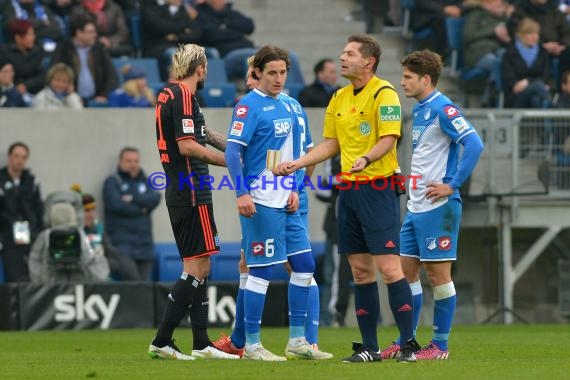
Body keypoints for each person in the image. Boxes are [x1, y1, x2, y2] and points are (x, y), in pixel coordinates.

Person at [275, 34, 419, 363]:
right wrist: (298, 163)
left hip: (378, 188)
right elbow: (330, 144)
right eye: (342, 52)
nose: (342, 58)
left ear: (368, 61)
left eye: (350, 53)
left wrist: (366, 159)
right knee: (359, 271)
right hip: (348, 191)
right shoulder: (338, 97)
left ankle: (408, 344)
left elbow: (389, 139)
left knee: (389, 268)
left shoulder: (385, 94)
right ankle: (369, 347)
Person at [213, 55, 332, 360]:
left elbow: (302, 152)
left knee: (305, 266)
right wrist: (241, 193)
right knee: (261, 270)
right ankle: (251, 345)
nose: (279, 79)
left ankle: (297, 341)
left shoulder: (292, 105)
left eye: (283, 73)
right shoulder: (248, 105)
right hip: (260, 200)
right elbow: (233, 153)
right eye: (272, 73)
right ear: (256, 73)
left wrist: (296, 188)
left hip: (288, 200)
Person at [381, 49, 484, 360]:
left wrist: (451, 184)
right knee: (406, 275)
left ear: (426, 79)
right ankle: (407, 342)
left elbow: (475, 144)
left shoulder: (444, 109)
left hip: (439, 207)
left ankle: (440, 346)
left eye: (408, 78)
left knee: (439, 278)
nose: (402, 83)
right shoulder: (422, 110)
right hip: (416, 207)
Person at [148, 43, 238, 361]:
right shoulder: (185, 96)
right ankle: (162, 339)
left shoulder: (169, 94)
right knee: (197, 266)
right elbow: (188, 146)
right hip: (191, 190)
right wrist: (229, 162)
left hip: (180, 189)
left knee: (202, 264)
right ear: (200, 68)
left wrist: (232, 147)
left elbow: (199, 132)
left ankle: (201, 343)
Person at [103, 147, 161, 281]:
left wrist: (133, 198)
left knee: (144, 286)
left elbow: (155, 198)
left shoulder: (145, 181)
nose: (133, 164)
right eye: (128, 161)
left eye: (136, 161)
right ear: (120, 162)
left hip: (144, 244)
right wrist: (142, 209)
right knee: (134, 282)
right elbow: (116, 205)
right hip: (121, 244)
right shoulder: (113, 181)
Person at [28, 191, 110, 283]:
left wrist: (83, 259)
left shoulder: (81, 235)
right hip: (52, 281)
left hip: (79, 281)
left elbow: (99, 270)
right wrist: (47, 270)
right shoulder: (45, 236)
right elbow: (34, 263)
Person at [52, 13, 119, 105]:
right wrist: (67, 89)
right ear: (78, 33)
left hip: (97, 100)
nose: (94, 35)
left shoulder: (99, 49)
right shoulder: (64, 49)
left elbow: (112, 76)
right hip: (69, 99)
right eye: (90, 32)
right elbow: (55, 73)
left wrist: (104, 95)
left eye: (95, 32)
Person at [0, 142, 43, 282]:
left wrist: (39, 235)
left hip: (31, 240)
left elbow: (38, 209)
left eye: (23, 157)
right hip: (9, 242)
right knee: (15, 282)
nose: (20, 160)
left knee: (34, 281)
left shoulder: (31, 181)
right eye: (16, 156)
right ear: (9, 157)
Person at [501, 18, 551, 108]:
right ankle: (551, 109)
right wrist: (535, 83)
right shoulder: (509, 54)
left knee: (535, 98)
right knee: (538, 87)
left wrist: (527, 82)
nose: (534, 37)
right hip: (516, 95)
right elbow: (509, 79)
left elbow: (546, 75)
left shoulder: (543, 53)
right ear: (520, 35)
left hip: (537, 92)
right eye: (530, 33)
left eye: (536, 33)